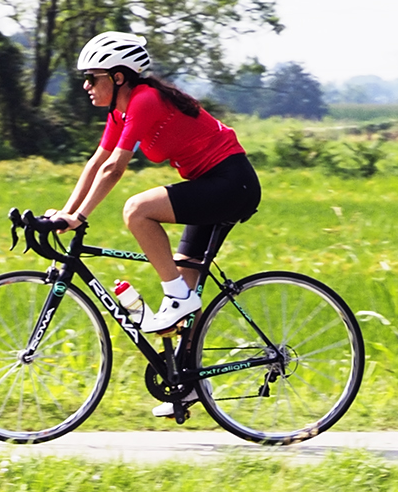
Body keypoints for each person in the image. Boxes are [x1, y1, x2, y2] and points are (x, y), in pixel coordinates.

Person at [50, 31, 261, 337]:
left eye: (92, 78)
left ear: (118, 77)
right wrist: (63, 214)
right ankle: (190, 383)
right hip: (212, 184)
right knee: (186, 293)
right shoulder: (119, 114)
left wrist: (79, 218)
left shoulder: (145, 101)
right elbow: (96, 163)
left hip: (231, 183)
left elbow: (113, 169)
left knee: (137, 210)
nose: (86, 86)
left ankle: (177, 299)